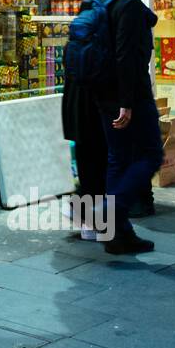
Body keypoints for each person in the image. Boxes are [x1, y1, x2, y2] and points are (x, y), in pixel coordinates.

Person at [93, 0, 162, 255]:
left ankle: (117, 235)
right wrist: (127, 102)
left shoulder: (105, 1)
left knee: (118, 159)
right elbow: (126, 56)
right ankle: (110, 214)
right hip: (129, 95)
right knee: (151, 156)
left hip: (104, 94)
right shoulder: (129, 6)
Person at [62, 61, 109, 242]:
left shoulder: (78, 40)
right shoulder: (97, 39)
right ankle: (85, 215)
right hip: (93, 105)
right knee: (97, 163)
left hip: (79, 105)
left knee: (90, 164)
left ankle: (88, 222)